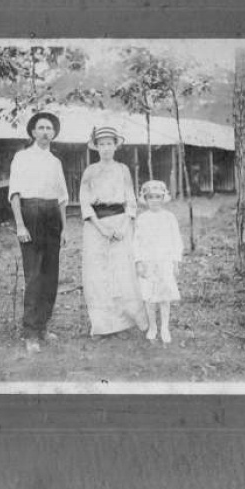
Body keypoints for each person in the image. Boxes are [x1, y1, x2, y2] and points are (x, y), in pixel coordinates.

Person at [8, 112, 68, 353]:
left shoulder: (55, 161)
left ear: (53, 133)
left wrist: (64, 228)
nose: (45, 132)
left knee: (50, 275)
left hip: (52, 215)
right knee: (34, 275)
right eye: (41, 128)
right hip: (31, 214)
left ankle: (43, 326)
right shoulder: (21, 157)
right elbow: (14, 193)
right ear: (33, 132)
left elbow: (62, 198)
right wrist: (20, 224)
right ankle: (30, 332)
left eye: (49, 128)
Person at [79, 125, 147, 337]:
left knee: (122, 272)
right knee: (98, 274)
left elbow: (130, 199)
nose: (106, 148)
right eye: (102, 144)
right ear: (96, 147)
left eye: (110, 144)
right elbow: (84, 202)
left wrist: (124, 225)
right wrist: (100, 228)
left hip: (120, 224)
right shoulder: (90, 171)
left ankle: (125, 321)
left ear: (115, 146)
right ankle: (102, 325)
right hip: (96, 227)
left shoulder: (123, 169)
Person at [134, 180, 184, 344]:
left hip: (164, 262)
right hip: (148, 262)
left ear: (163, 198)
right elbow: (137, 242)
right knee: (149, 297)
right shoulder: (142, 219)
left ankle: (165, 327)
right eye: (150, 197)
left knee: (164, 297)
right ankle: (152, 326)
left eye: (157, 197)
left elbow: (176, 240)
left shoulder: (169, 218)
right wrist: (139, 261)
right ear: (145, 199)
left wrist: (175, 261)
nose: (154, 200)